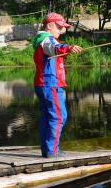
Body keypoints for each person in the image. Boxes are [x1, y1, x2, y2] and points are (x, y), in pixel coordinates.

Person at [32, 12, 82, 158]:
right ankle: (52, 151)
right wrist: (68, 48)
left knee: (47, 117)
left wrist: (65, 47)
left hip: (42, 83)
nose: (61, 30)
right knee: (59, 116)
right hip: (50, 83)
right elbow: (54, 48)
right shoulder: (47, 39)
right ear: (49, 26)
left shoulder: (42, 39)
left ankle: (47, 150)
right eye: (59, 27)